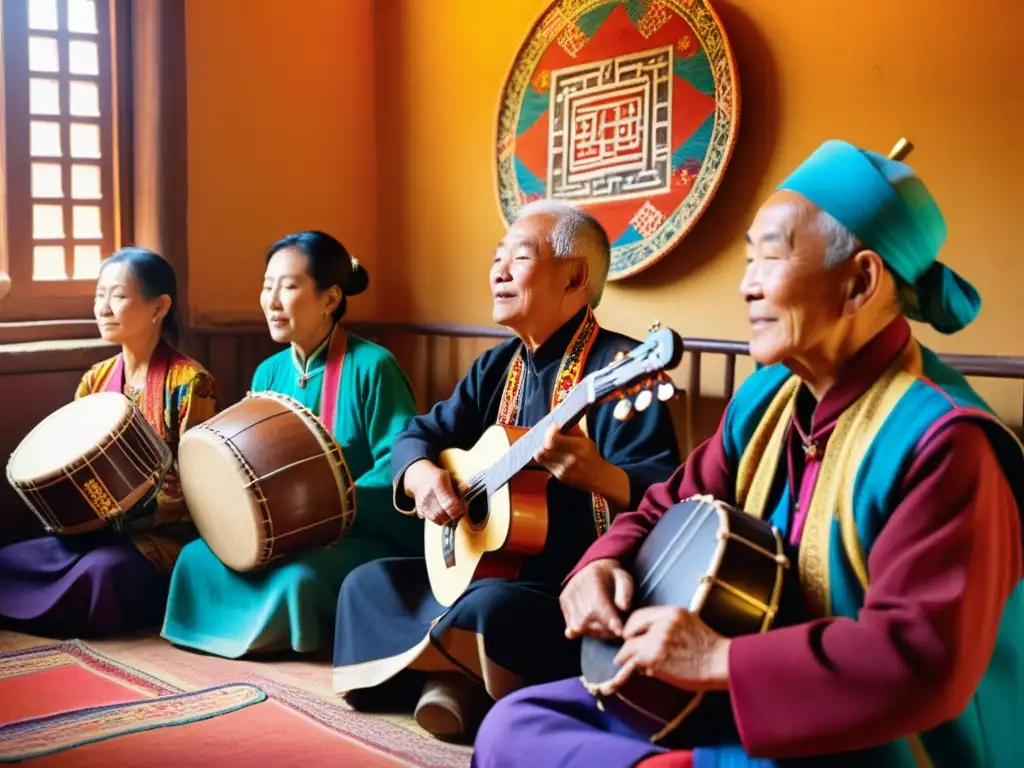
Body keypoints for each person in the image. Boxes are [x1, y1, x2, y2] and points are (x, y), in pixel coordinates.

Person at [471, 139, 1024, 768]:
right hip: (738, 695)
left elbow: (923, 660)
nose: (746, 286)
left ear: (861, 281)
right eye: (746, 259)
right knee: (516, 722)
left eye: (770, 257)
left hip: (872, 739)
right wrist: (600, 565)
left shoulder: (944, 441)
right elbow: (662, 504)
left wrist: (719, 660)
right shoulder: (768, 399)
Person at [331, 200, 681, 740]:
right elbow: (417, 436)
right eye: (497, 258)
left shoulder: (620, 371)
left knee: (494, 609)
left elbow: (666, 494)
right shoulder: (497, 365)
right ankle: (458, 682)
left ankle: (442, 682)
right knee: (366, 582)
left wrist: (598, 475)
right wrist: (423, 475)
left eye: (519, 258)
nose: (498, 271)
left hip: (564, 586)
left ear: (575, 277)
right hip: (484, 572)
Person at [161, 230, 420, 658]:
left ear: (330, 298)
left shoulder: (373, 366)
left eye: (289, 286)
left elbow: (399, 461)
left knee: (296, 579)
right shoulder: (268, 372)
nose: (273, 300)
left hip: (353, 535)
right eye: (267, 287)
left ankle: (281, 636)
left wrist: (332, 505)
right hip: (279, 533)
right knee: (194, 558)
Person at [0, 247, 217, 638]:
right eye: (99, 295)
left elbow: (201, 486)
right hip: (96, 531)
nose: (103, 307)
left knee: (101, 573)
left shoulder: (190, 382)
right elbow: (73, 459)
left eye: (117, 295)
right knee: (10, 561)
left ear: (159, 306)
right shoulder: (95, 380)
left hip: (163, 538)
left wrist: (139, 508)